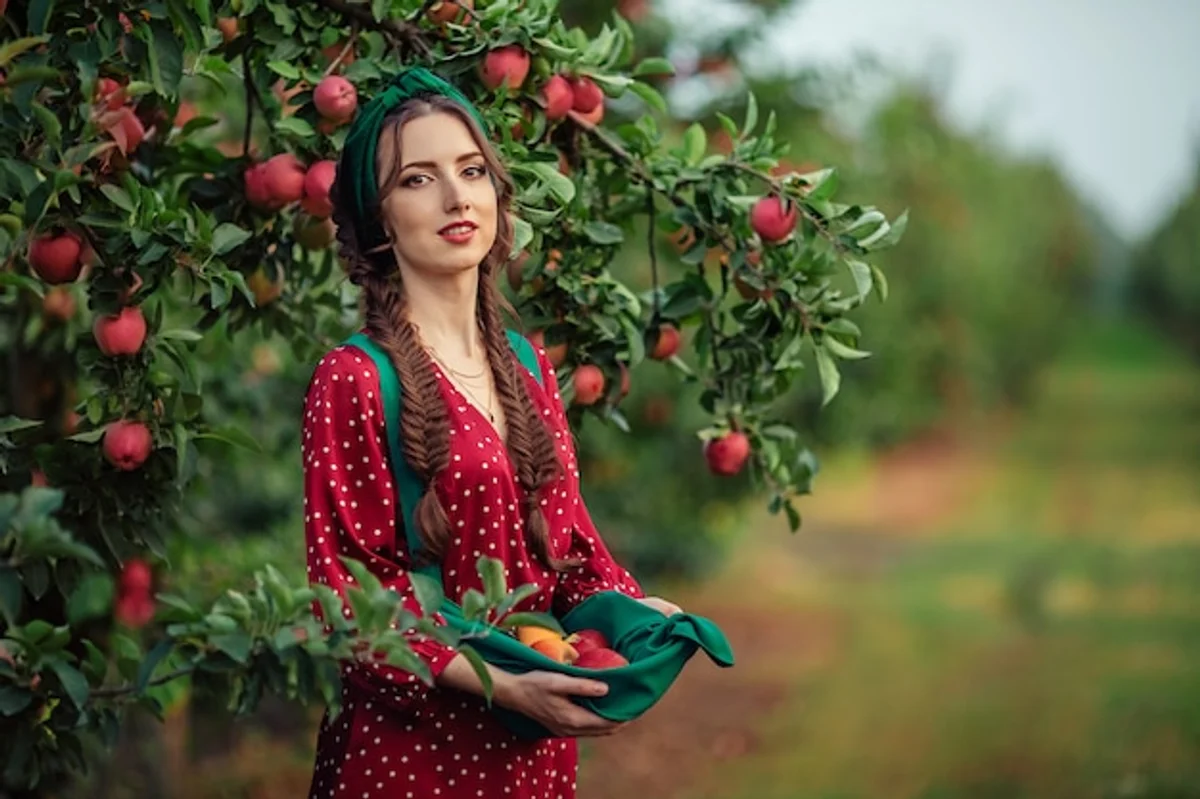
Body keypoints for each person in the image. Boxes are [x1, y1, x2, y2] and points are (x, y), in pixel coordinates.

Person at [301, 68, 682, 799]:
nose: (454, 196)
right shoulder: (351, 378)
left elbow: (568, 558)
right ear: (377, 218)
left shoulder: (528, 365)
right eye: (417, 178)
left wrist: (643, 616)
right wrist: (504, 687)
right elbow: (350, 602)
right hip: (409, 757)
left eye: (470, 169)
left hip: (531, 759)